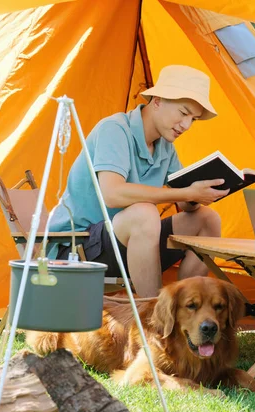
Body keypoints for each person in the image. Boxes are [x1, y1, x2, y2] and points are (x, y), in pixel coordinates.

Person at [49, 65, 229, 298]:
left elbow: (186, 204)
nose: (186, 125)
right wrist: (187, 193)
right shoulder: (114, 129)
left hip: (127, 242)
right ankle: (153, 318)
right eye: (183, 113)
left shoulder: (165, 147)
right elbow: (112, 194)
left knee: (208, 219)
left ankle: (185, 310)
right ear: (157, 101)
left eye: (193, 119)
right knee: (145, 213)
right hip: (80, 248)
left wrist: (203, 192)